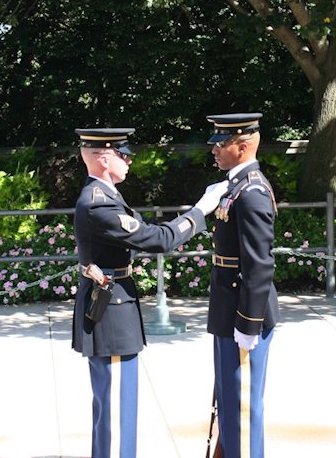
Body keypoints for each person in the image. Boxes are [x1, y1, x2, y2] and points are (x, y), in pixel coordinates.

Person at [71, 127, 228, 458]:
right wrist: (201, 210)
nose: (129, 159)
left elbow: (145, 232)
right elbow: (157, 240)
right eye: (122, 153)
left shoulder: (108, 195)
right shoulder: (98, 204)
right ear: (102, 158)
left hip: (115, 302)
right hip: (109, 311)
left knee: (118, 402)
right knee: (114, 404)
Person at [205, 113, 279, 457]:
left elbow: (259, 265)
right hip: (227, 307)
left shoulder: (251, 192)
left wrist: (248, 324)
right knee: (230, 405)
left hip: (241, 314)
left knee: (243, 407)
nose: (215, 150)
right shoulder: (235, 187)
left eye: (222, 143)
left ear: (243, 145)